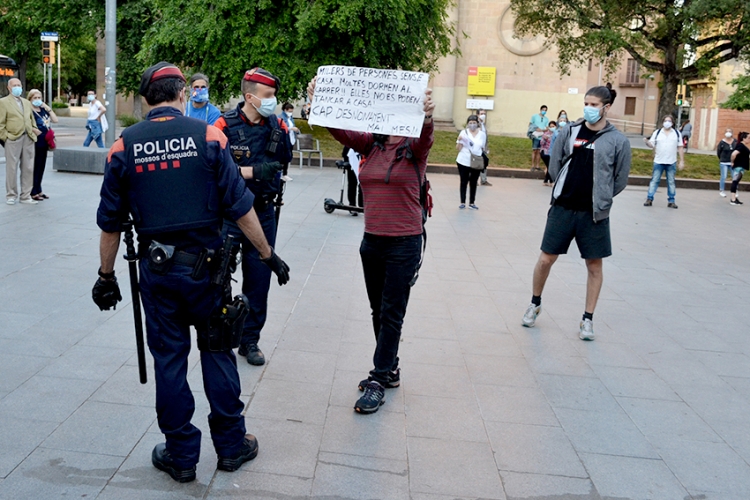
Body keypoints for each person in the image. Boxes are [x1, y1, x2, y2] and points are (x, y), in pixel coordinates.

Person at [92, 62, 290, 483]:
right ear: (183, 94)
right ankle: (232, 447)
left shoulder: (124, 146)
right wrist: (268, 255)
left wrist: (105, 276)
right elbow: (241, 208)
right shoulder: (211, 137)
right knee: (217, 353)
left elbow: (110, 222)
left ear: (146, 99)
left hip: (159, 274)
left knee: (169, 361)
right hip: (209, 273)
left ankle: (181, 455)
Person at [307, 76, 435, 414]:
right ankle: (389, 368)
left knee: (392, 312)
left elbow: (426, 134)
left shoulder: (413, 149)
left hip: (404, 242)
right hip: (372, 241)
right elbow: (338, 130)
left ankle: (378, 378)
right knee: (378, 310)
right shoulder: (370, 145)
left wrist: (427, 115)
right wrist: (320, 98)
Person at [522, 86, 631, 341]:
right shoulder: (569, 132)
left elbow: (620, 179)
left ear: (606, 107)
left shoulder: (618, 140)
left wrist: (601, 197)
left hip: (594, 214)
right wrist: (564, 188)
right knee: (546, 259)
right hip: (563, 208)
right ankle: (535, 302)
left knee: (594, 265)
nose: (589, 108)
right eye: (586, 103)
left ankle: (587, 319)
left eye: (594, 105)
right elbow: (555, 163)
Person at [213, 68, 293, 366]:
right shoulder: (223, 124)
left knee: (259, 279)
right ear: (250, 96)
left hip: (263, 210)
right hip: (230, 213)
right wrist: (252, 171)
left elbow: (282, 162)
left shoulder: (278, 127)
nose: (273, 101)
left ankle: (250, 340)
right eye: (269, 96)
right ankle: (222, 334)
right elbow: (214, 170)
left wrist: (254, 172)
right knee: (219, 276)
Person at [0, 78, 39, 205]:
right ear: (9, 88)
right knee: (12, 167)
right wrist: (6, 137)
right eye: (15, 85)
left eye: (19, 85)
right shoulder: (3, 102)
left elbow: (31, 118)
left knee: (28, 167)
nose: (17, 87)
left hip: (27, 137)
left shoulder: (26, 102)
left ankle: (26, 196)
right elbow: (1, 123)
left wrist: (34, 131)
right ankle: (11, 195)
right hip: (13, 138)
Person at [643, 115, 684, 209]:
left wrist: (681, 161)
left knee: (671, 181)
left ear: (672, 123)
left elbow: (680, 147)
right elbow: (652, 144)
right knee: (655, 180)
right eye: (665, 121)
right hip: (659, 160)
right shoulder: (657, 132)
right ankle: (649, 198)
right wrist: (647, 142)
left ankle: (671, 200)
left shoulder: (676, 133)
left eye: (669, 121)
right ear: (662, 122)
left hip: (671, 161)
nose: (667, 122)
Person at [28, 88, 58, 201]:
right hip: (36, 140)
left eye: (39, 98)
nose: (37, 100)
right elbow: (26, 124)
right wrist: (34, 130)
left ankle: (39, 189)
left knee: (41, 166)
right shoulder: (29, 111)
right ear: (30, 99)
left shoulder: (43, 110)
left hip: (45, 141)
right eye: (35, 98)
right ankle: (33, 191)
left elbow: (55, 120)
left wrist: (48, 108)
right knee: (35, 166)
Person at [455, 114, 485, 210]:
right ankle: (462, 202)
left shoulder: (482, 134)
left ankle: (472, 202)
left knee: (473, 181)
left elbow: (482, 147)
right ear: (468, 124)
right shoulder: (463, 133)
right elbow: (458, 148)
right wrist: (459, 141)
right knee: (463, 181)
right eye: (470, 123)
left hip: (476, 161)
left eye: (474, 123)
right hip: (463, 160)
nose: (472, 125)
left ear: (477, 124)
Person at [729, 131, 750, 206]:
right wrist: (732, 162)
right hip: (739, 166)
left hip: (741, 166)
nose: (749, 139)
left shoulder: (742, 146)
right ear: (743, 138)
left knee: (736, 182)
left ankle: (734, 198)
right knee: (735, 181)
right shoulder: (741, 146)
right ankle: (733, 199)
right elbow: (734, 154)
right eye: (748, 138)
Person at [280, 102, 300, 181]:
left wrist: (296, 130)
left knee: (288, 156)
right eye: (290, 111)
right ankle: (282, 173)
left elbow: (293, 126)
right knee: (283, 157)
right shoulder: (281, 117)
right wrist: (290, 128)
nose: (291, 113)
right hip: (284, 140)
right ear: (285, 110)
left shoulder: (291, 118)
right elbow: (281, 127)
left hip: (291, 139)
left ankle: (285, 173)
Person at [528, 105, 549, 171]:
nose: (544, 111)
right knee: (534, 150)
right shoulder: (534, 116)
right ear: (540, 110)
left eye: (545, 110)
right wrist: (536, 129)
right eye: (543, 110)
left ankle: (537, 165)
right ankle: (532, 165)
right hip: (536, 135)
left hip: (542, 136)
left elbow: (547, 127)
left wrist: (542, 130)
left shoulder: (546, 119)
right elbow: (530, 124)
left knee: (539, 151)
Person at [716, 128, 736, 197]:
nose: (728, 133)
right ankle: (722, 190)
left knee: (735, 177)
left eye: (730, 131)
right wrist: (721, 159)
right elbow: (719, 152)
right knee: (724, 176)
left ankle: (734, 191)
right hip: (724, 162)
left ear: (732, 133)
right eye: (727, 131)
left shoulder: (735, 142)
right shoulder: (722, 142)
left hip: (733, 162)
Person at [539, 121, 557, 186]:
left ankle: (546, 180)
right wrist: (544, 139)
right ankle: (551, 181)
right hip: (545, 152)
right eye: (551, 126)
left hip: (552, 152)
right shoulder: (546, 134)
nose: (552, 128)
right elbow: (541, 143)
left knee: (549, 166)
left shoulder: (557, 134)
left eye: (553, 126)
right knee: (549, 166)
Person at [477, 109, 492, 186]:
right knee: (477, 163)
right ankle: (474, 180)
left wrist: (486, 148)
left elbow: (485, 137)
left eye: (484, 114)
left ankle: (483, 180)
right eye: (481, 113)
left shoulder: (483, 124)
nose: (483, 115)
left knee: (484, 162)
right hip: (476, 148)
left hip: (483, 148)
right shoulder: (475, 123)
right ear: (478, 115)